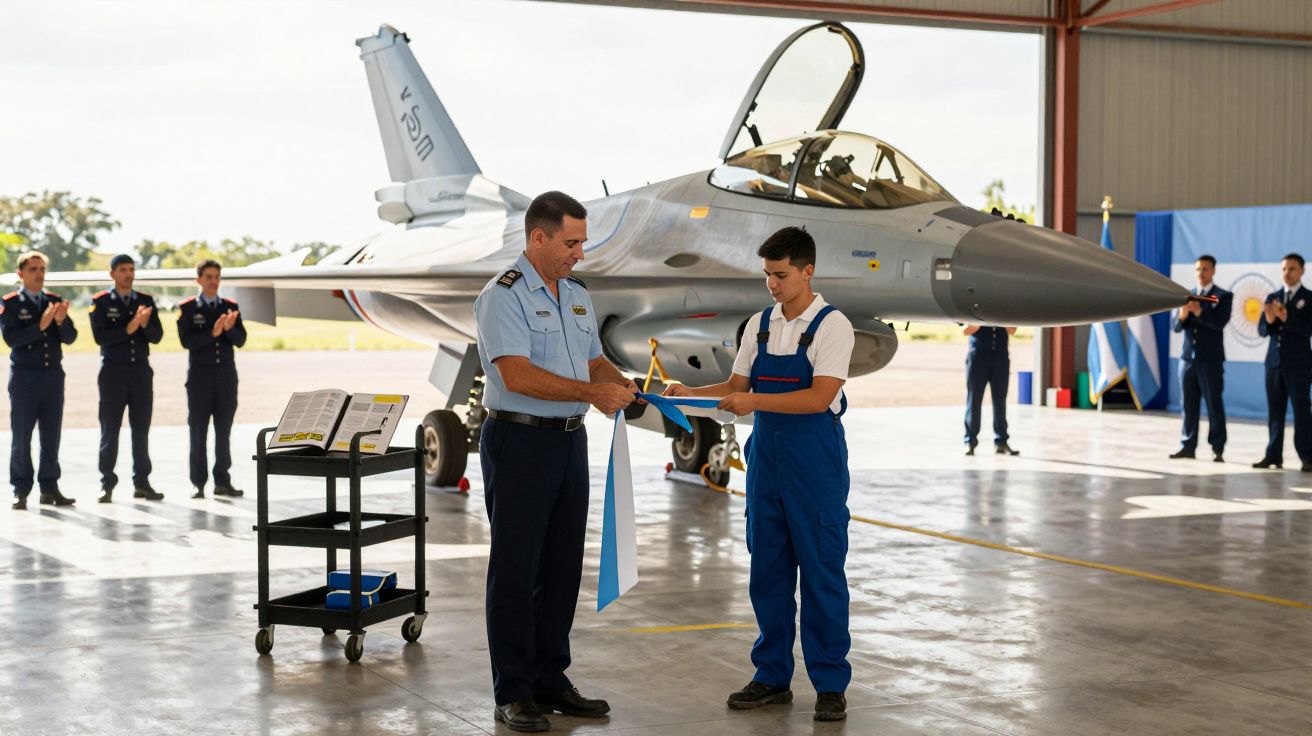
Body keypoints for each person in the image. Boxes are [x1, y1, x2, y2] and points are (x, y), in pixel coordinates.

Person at [664, 226, 854, 722]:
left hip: (816, 462)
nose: (771, 283)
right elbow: (734, 385)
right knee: (767, 571)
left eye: (781, 274)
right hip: (767, 460)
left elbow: (818, 397)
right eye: (767, 274)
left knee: (821, 573)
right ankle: (771, 676)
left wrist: (751, 402)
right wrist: (690, 394)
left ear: (807, 271)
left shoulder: (834, 326)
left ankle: (830, 683)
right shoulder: (760, 325)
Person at [473, 191, 636, 733]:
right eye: (571, 242)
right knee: (517, 569)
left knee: (562, 568)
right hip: (518, 444)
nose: (580, 253)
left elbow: (592, 361)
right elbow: (515, 376)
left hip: (569, 441)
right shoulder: (503, 296)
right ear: (537, 238)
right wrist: (592, 394)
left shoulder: (577, 296)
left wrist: (627, 387)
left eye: (582, 242)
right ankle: (513, 690)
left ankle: (549, 679)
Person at [2, 251, 77, 509]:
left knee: (51, 434)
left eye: (42, 269)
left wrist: (61, 321)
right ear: (20, 274)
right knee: (22, 436)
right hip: (25, 377)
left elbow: (70, 337)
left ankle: (49, 487)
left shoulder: (55, 301)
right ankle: (20, 489)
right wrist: (41, 326)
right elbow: (12, 340)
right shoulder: (10, 303)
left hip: (52, 376)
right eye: (33, 269)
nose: (39, 274)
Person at [91, 254, 166, 502]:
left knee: (141, 430)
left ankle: (142, 482)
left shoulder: (145, 301)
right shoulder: (100, 302)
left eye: (132, 269)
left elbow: (157, 336)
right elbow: (101, 337)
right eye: (123, 270)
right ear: (112, 274)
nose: (128, 274)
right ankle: (106, 484)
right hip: (113, 373)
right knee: (110, 429)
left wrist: (144, 325)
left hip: (140, 372)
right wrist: (130, 327)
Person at [177, 259, 247, 498]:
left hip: (225, 377)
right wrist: (213, 332)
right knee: (198, 432)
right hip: (200, 378)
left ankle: (222, 481)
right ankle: (198, 483)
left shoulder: (230, 306)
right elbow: (187, 342)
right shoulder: (187, 308)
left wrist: (228, 329)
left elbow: (241, 340)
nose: (214, 281)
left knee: (223, 432)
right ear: (199, 280)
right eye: (208, 277)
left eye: (217, 276)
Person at [1170, 255, 1231, 462]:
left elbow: (1219, 323)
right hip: (1187, 360)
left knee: (1214, 404)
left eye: (1205, 269)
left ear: (1213, 270)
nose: (1201, 273)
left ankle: (1218, 448)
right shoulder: (1186, 295)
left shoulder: (1222, 296)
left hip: (1211, 360)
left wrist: (1199, 312)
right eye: (1198, 269)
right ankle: (1187, 445)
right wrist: (1183, 315)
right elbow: (1176, 327)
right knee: (1188, 404)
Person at [1255, 253, 1312, 471]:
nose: (1287, 273)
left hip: (1299, 364)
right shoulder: (1273, 297)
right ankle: (1273, 456)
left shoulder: (1309, 298)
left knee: (1301, 411)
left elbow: (1308, 330)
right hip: (1274, 364)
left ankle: (1308, 456)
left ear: (1302, 271)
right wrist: (1270, 320)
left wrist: (1287, 318)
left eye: (1292, 269)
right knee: (1275, 411)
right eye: (1284, 269)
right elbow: (1262, 331)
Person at [961, 325, 1019, 456]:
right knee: (974, 401)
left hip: (1000, 358)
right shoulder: (973, 308)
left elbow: (1013, 330)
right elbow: (965, 330)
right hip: (978, 358)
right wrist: (984, 319)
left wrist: (999, 319)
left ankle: (1001, 442)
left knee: (1000, 401)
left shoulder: (1004, 310)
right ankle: (970, 441)